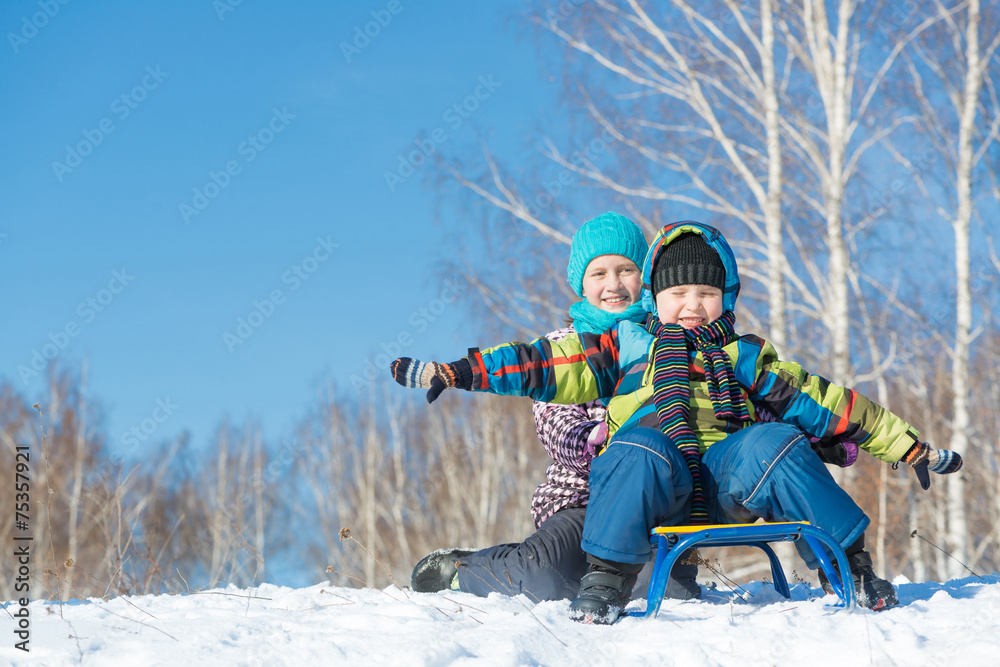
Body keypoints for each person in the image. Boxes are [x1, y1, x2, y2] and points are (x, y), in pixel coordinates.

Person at [390, 220, 963, 624]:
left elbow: (824, 401)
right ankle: (604, 579)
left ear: (726, 297)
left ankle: (849, 566)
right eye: (679, 291)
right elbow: (541, 364)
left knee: (775, 441)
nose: (692, 304)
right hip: (635, 491)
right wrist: (460, 370)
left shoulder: (744, 356)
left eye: (707, 292)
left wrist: (901, 446)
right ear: (657, 297)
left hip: (721, 485)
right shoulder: (623, 347)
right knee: (637, 448)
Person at [409, 211, 699, 602]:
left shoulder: (666, 342)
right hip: (581, 501)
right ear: (581, 283)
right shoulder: (562, 345)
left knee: (666, 595)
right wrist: (604, 442)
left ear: (643, 277)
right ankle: (466, 571)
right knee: (541, 578)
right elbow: (555, 426)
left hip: (652, 502)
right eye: (599, 273)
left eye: (626, 270)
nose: (613, 284)